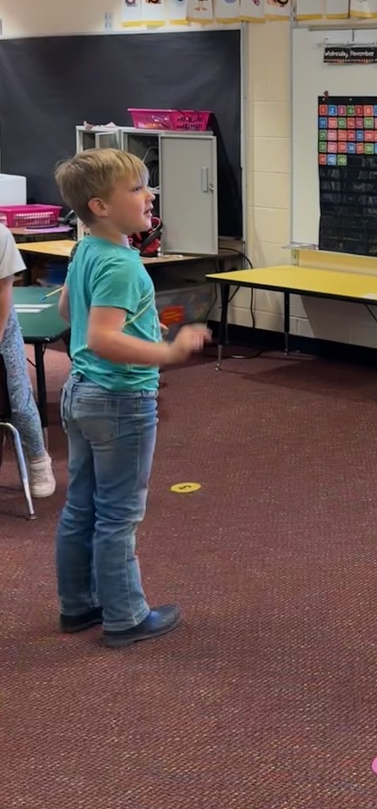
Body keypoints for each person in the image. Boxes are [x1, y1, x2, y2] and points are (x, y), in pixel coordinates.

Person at [52, 148, 210, 647]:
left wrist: (137, 324)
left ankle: (78, 606)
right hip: (120, 400)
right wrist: (170, 350)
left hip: (81, 393)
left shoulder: (85, 250)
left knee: (81, 506)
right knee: (118, 514)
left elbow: (68, 310)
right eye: (137, 188)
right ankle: (125, 617)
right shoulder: (123, 265)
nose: (150, 196)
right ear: (100, 206)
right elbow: (103, 338)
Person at [0, 225, 56, 498]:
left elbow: (3, 290)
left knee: (17, 399)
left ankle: (38, 459)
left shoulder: (1, 236)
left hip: (1, 327)